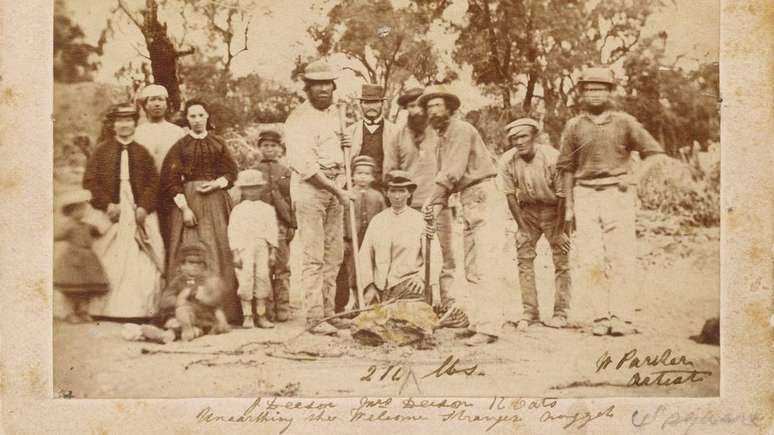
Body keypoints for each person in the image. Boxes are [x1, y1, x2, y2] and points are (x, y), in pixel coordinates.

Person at [557, 66, 665, 337]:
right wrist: (569, 206)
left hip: (617, 194)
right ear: (582, 93)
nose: (594, 94)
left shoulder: (625, 122)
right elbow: (567, 168)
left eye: (600, 88)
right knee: (592, 257)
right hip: (585, 194)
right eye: (589, 89)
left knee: (621, 256)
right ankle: (600, 316)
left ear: (610, 92)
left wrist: (634, 178)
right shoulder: (574, 126)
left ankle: (622, 316)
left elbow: (654, 154)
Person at [417, 85, 503, 347]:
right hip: (467, 198)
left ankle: (489, 327)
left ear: (450, 108)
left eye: (438, 105)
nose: (433, 111)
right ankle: (478, 321)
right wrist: (436, 204)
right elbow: (448, 178)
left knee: (483, 264)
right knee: (471, 265)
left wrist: (432, 200)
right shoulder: (442, 137)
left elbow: (452, 172)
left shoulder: (460, 130)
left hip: (482, 194)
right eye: (429, 107)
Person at [284, 59, 352, 335]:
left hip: (336, 184)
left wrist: (349, 144)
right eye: (316, 85)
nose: (323, 89)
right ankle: (314, 317)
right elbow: (306, 166)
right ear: (307, 88)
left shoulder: (337, 114)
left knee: (334, 254)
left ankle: (328, 312)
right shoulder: (298, 119)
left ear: (333, 86)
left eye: (327, 84)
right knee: (313, 255)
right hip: (312, 188)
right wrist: (337, 190)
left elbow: (344, 153)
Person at [160, 99, 241, 324]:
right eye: (192, 116)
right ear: (187, 119)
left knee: (220, 248)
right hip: (190, 201)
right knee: (191, 249)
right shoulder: (180, 146)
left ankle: (223, 310)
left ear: (207, 117)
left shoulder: (218, 143)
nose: (197, 120)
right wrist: (185, 208)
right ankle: (188, 311)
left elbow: (231, 172)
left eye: (201, 115)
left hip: (216, 201)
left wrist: (216, 184)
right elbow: (170, 180)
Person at [83, 103, 165, 320]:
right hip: (111, 207)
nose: (124, 125)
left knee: (144, 255)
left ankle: (140, 309)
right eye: (120, 121)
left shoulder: (142, 152)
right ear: (113, 125)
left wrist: (144, 207)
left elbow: (153, 183)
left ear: (134, 124)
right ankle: (103, 309)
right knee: (107, 252)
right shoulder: (101, 151)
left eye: (129, 121)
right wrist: (107, 204)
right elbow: (90, 181)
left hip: (137, 209)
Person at [383, 87, 456, 305]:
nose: (416, 111)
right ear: (405, 109)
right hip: (408, 207)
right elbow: (389, 172)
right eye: (410, 106)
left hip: (438, 203)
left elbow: (453, 166)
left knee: (444, 254)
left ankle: (447, 303)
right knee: (410, 255)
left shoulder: (441, 132)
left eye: (419, 105)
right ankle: (417, 301)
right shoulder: (397, 136)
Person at [499, 117, 572, 330]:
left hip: (554, 210)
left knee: (562, 260)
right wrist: (521, 228)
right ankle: (530, 311)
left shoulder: (551, 157)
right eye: (514, 138)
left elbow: (562, 195)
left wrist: (561, 230)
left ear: (534, 137)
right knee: (523, 258)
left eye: (523, 136)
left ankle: (561, 312)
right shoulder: (507, 160)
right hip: (527, 212)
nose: (519, 142)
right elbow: (510, 195)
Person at [126, 242, 231, 343]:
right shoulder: (178, 281)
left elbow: (216, 303)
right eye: (191, 263)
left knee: (202, 326)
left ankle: (181, 332)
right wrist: (180, 299)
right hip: (178, 313)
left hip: (200, 316)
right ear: (182, 266)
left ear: (204, 267)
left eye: (199, 264)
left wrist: (205, 299)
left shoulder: (205, 281)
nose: (195, 266)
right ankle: (168, 335)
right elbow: (166, 300)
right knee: (175, 322)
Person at [359, 171, 432, 305]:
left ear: (409, 193)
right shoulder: (378, 220)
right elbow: (364, 256)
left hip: (409, 284)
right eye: (393, 191)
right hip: (380, 287)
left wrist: (421, 278)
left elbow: (434, 255)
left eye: (402, 191)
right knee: (367, 319)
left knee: (405, 319)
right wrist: (369, 285)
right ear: (387, 193)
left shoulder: (420, 220)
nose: (397, 196)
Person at [134, 84, 186, 248]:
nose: (157, 104)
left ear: (167, 104)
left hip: (171, 190)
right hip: (146, 191)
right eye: (152, 100)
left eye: (161, 100)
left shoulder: (177, 132)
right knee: (150, 233)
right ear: (145, 105)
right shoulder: (137, 132)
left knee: (172, 233)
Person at [254, 128, 296, 322]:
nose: (269, 149)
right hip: (260, 226)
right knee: (263, 267)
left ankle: (283, 306)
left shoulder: (286, 172)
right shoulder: (253, 171)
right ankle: (267, 307)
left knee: (281, 267)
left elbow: (291, 199)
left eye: (273, 146)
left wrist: (292, 224)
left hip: (280, 224)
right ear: (259, 147)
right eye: (265, 145)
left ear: (280, 148)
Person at [335, 155, 386, 312]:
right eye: (359, 173)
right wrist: (344, 238)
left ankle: (370, 301)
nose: (362, 177)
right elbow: (341, 217)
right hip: (353, 240)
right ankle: (356, 301)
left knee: (370, 269)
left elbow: (383, 218)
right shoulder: (347, 194)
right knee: (353, 272)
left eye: (367, 174)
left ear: (372, 177)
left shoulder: (378, 197)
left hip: (370, 241)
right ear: (353, 175)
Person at [229, 169, 279, 329]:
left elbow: (272, 230)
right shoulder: (238, 210)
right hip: (244, 247)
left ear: (261, 188)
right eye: (248, 188)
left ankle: (261, 315)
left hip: (261, 246)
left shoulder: (267, 209)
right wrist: (235, 253)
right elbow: (233, 231)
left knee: (262, 278)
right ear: (242, 190)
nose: (252, 191)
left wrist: (273, 251)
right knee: (245, 279)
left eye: (255, 187)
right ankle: (247, 316)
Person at [53, 189, 109, 323]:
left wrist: (99, 228)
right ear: (70, 212)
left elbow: (99, 233)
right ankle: (70, 312)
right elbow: (56, 236)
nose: (81, 212)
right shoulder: (69, 226)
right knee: (72, 289)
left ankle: (83, 311)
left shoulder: (87, 226)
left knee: (86, 288)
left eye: (83, 209)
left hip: (88, 259)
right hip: (73, 259)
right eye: (78, 210)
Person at [347, 84, 397, 188]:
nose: (371, 107)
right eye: (367, 103)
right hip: (358, 186)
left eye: (375, 102)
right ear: (361, 104)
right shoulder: (350, 132)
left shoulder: (395, 131)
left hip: (386, 187)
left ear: (382, 104)